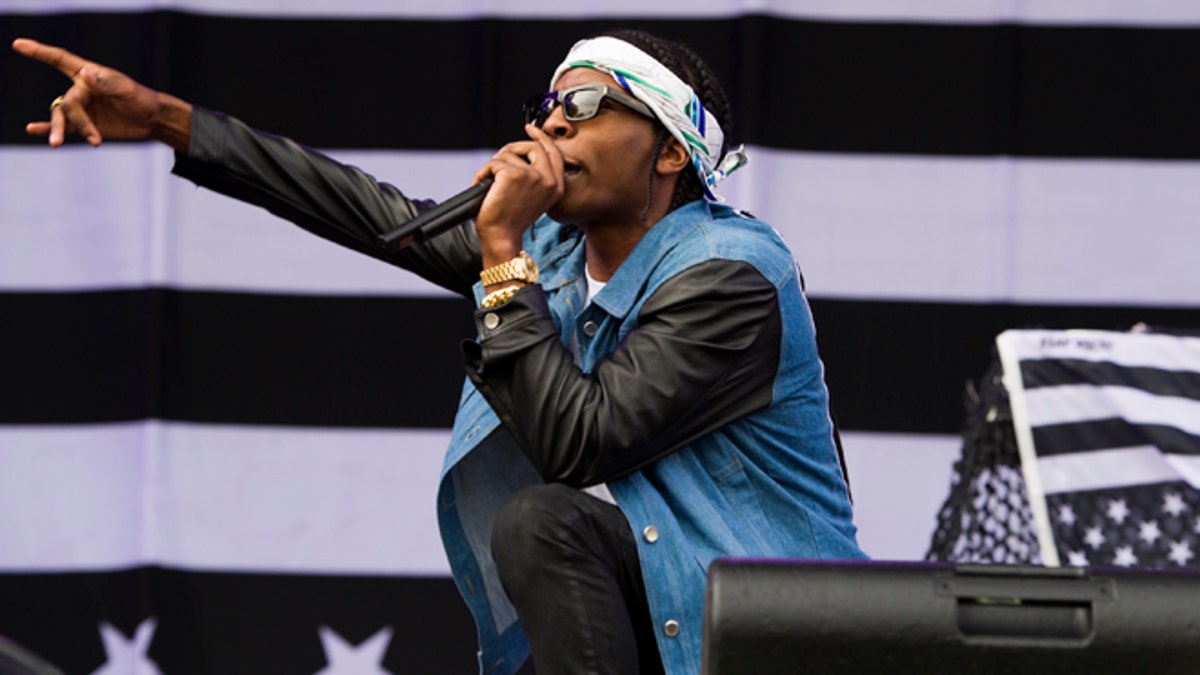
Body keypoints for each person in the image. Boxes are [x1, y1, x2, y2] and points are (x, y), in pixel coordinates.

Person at [13, 29, 866, 675]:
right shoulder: (556, 261)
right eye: (545, 106)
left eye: (584, 107)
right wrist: (164, 119)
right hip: (672, 607)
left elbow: (579, 442)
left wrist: (501, 250)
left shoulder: (730, 277)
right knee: (542, 526)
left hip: (775, 632)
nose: (550, 125)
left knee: (542, 517)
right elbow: (373, 214)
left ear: (672, 151)